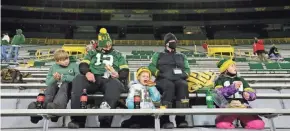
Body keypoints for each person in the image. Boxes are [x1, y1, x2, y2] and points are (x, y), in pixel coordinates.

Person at [68, 28, 129, 129]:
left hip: (110, 79)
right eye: (105, 45)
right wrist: (87, 72)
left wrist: (118, 75)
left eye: (109, 44)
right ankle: (77, 120)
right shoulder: (92, 53)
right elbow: (83, 64)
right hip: (93, 78)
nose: (108, 46)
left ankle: (105, 120)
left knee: (115, 85)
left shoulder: (118, 54)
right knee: (78, 79)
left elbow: (125, 70)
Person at [148, 33, 190, 129]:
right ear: (166, 44)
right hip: (163, 79)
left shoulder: (182, 56)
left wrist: (185, 75)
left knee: (183, 85)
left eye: (175, 42)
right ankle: (165, 119)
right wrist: (159, 73)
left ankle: (181, 119)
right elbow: (151, 66)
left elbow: (187, 69)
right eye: (171, 42)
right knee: (169, 86)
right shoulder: (158, 55)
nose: (174, 43)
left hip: (179, 78)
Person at [28, 49, 79, 123]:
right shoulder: (53, 67)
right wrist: (54, 78)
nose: (66, 61)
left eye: (67, 58)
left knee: (65, 84)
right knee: (51, 85)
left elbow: (77, 78)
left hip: (68, 88)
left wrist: (63, 77)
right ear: (57, 61)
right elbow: (48, 82)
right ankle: (42, 106)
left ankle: (57, 106)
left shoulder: (74, 65)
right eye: (62, 60)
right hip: (56, 88)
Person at [214, 59, 265, 129]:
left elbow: (252, 93)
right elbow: (218, 93)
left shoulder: (241, 79)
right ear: (225, 69)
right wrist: (232, 88)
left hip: (242, 107)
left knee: (258, 125)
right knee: (223, 125)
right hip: (228, 109)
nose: (235, 68)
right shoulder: (219, 80)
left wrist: (248, 95)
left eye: (235, 66)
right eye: (232, 66)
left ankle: (243, 121)